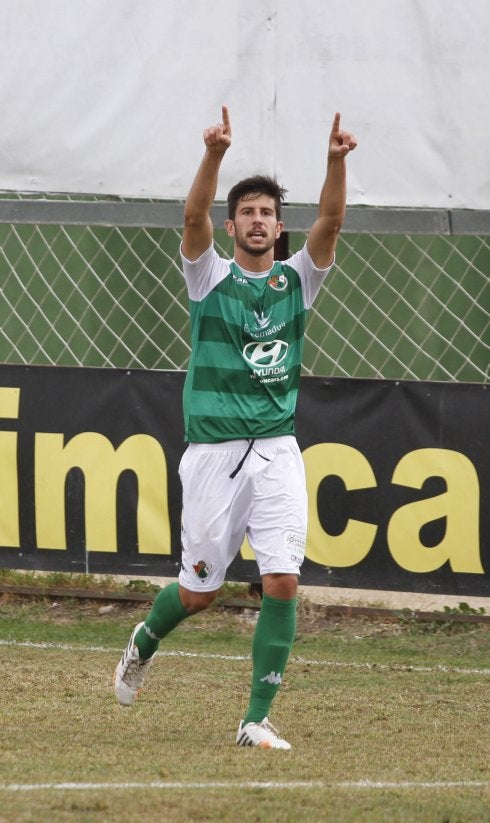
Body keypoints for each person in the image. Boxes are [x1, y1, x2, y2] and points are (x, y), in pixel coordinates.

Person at [114, 105, 357, 749]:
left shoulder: (296, 282)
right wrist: (214, 154)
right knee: (199, 593)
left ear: (279, 229)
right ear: (233, 225)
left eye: (266, 213)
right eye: (245, 212)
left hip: (278, 450)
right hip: (213, 456)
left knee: (282, 578)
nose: (257, 220)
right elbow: (191, 220)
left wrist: (335, 163)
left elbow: (331, 221)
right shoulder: (209, 275)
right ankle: (144, 640)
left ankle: (254, 721)